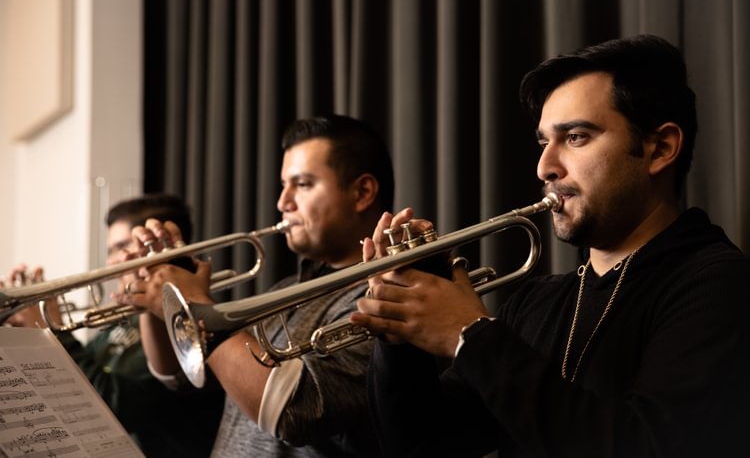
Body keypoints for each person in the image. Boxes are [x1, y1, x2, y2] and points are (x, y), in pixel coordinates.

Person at [351, 35, 750, 457]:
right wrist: (401, 329)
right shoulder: (537, 301)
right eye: (544, 142)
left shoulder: (719, 284)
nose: (545, 167)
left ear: (660, 148)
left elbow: (645, 445)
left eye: (576, 137)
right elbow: (424, 446)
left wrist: (471, 335)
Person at [116, 115, 393, 456]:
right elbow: (180, 377)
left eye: (303, 184)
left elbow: (297, 410)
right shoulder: (283, 289)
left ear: (362, 192)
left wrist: (193, 303)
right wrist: (157, 294)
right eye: (283, 185)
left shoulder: (383, 296)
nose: (282, 202)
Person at [3, 193, 225, 457]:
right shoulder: (118, 323)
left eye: (121, 247)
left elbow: (114, 409)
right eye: (110, 250)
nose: (111, 262)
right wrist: (25, 336)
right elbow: (68, 389)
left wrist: (49, 332)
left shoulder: (182, 325)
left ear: (157, 248)